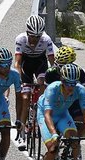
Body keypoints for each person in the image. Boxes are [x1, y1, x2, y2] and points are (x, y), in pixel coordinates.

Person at [14, 14, 55, 150]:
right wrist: (19, 81)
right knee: (25, 97)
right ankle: (21, 134)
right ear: (27, 32)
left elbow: (52, 62)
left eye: (37, 37)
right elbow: (18, 63)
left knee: (42, 83)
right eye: (32, 36)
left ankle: (38, 110)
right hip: (26, 64)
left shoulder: (46, 40)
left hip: (39, 63)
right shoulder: (21, 39)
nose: (34, 40)